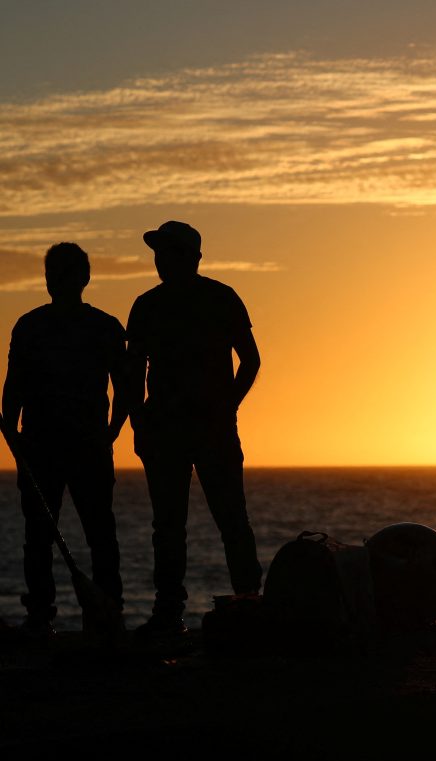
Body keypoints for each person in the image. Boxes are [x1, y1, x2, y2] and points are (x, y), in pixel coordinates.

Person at [127, 221, 262, 638]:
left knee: (230, 519)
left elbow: (251, 360)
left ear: (192, 257)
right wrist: (140, 423)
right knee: (169, 525)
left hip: (210, 430)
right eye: (158, 251)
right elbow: (132, 370)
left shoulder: (221, 298)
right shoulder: (147, 305)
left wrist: (226, 406)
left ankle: (249, 606)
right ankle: (169, 613)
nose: (160, 259)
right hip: (168, 431)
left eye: (168, 251)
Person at [2, 242, 128, 636]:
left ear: (82, 279)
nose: (56, 281)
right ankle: (47, 615)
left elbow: (125, 388)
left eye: (62, 274)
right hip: (47, 446)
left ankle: (103, 612)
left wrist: (111, 431)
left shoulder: (102, 327)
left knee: (94, 534)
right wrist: (13, 434)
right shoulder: (31, 326)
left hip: (78, 446)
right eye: (53, 274)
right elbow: (14, 389)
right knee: (44, 536)